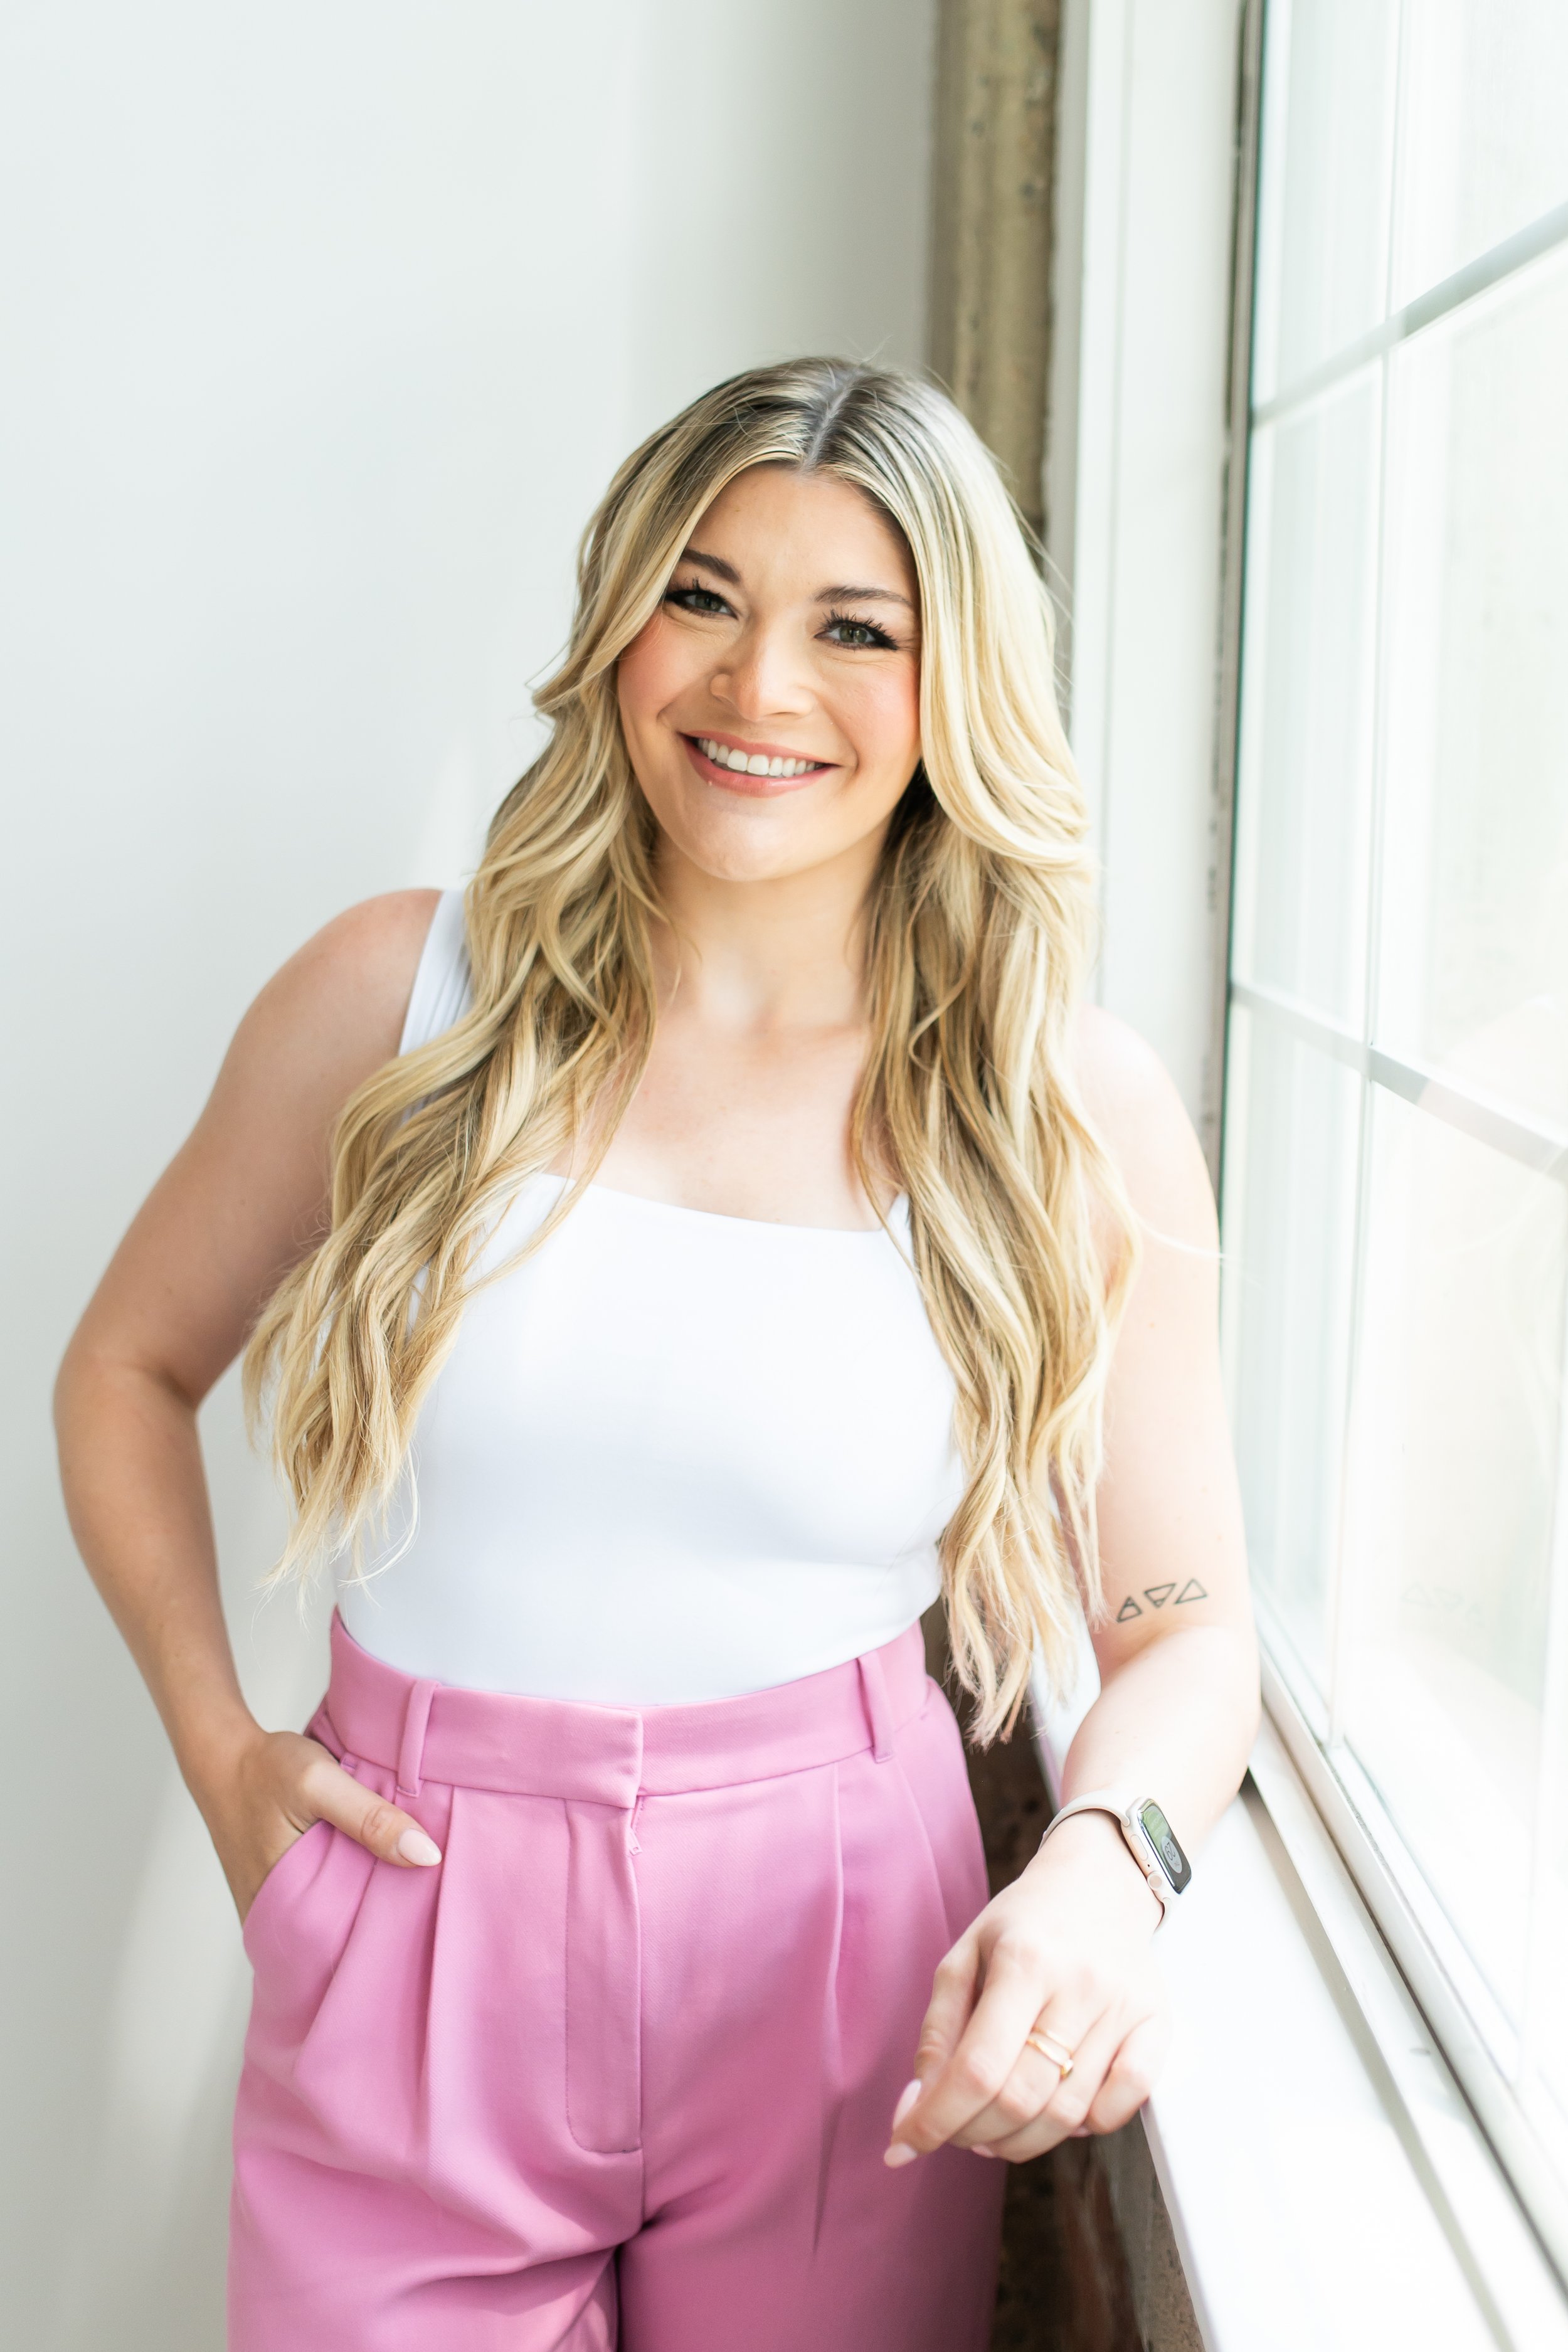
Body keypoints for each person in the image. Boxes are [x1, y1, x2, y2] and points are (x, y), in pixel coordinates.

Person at [55, 358, 1258, 2351]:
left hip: (846, 1954)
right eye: (700, 596)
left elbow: (1187, 1623)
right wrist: (218, 1760)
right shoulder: (399, 1002)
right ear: (618, 618)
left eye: (851, 630)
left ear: (954, 685)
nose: (755, 686)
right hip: (412, 1906)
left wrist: (1109, 1875)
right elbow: (125, 1368)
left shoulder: (1064, 1106)